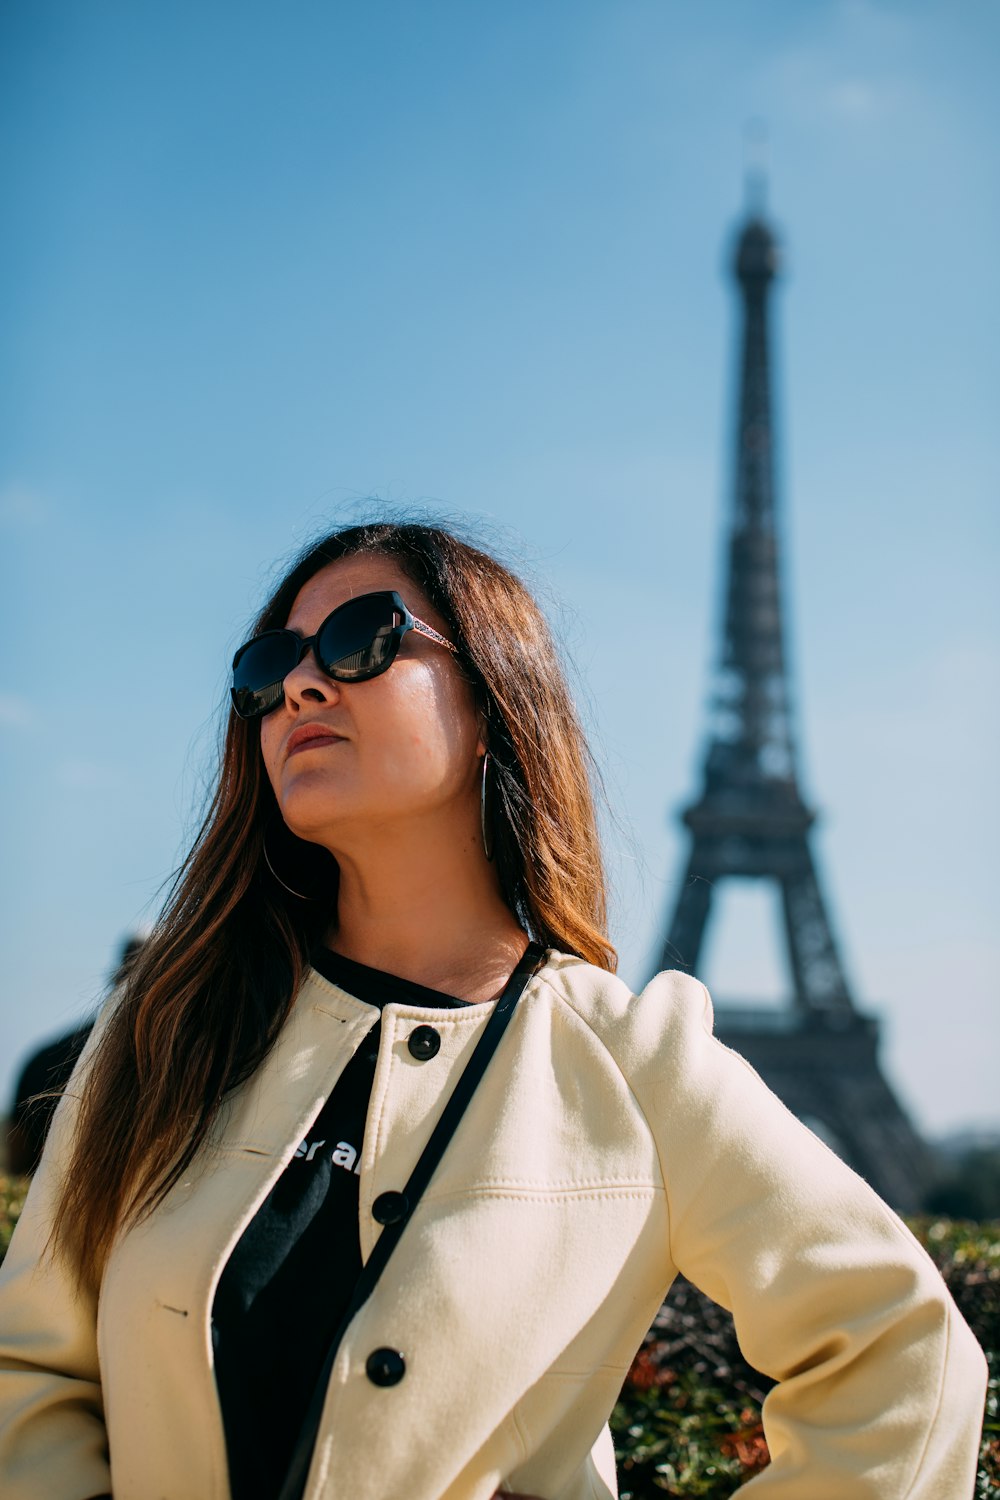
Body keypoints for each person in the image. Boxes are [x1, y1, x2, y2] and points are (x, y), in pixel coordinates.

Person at [0, 520, 987, 1500]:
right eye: (269, 666)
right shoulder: (163, 1029)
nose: (300, 684)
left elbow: (901, 1349)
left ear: (492, 705)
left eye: (361, 639)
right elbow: (29, 1373)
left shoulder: (633, 1063)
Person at [5, 936, 146, 1176]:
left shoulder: (41, 1059)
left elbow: (17, 1157)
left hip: (39, 1200)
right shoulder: (152, 1068)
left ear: (115, 976)